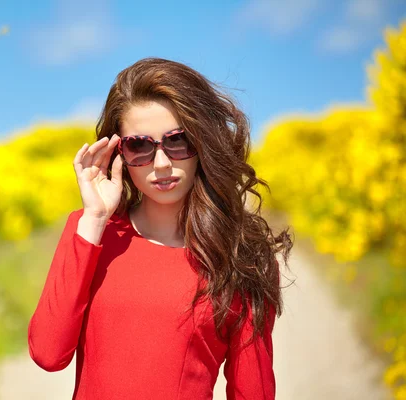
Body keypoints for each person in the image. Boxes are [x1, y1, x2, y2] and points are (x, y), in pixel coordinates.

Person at [28, 57, 293, 399]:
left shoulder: (242, 256)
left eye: (178, 140)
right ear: (117, 152)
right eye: (140, 146)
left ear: (202, 142)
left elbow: (252, 391)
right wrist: (94, 220)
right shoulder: (90, 231)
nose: (162, 163)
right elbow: (48, 354)